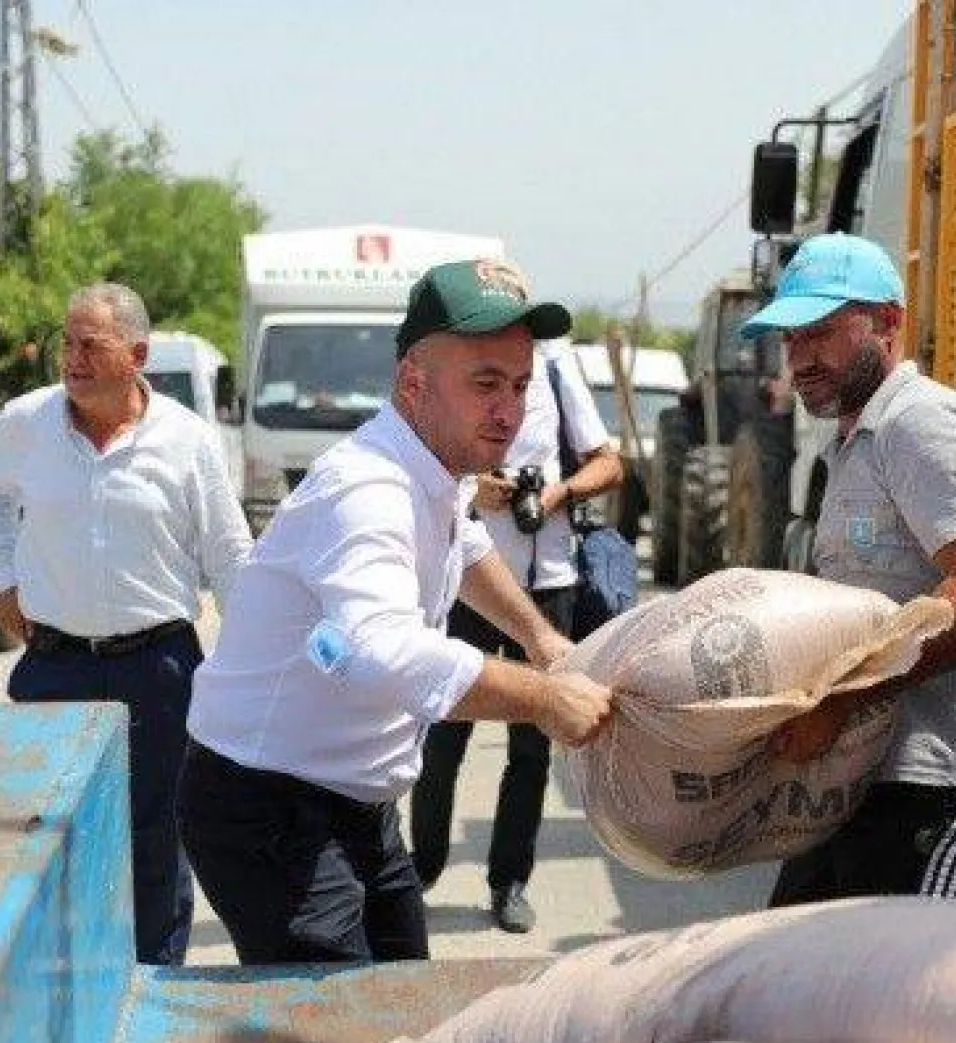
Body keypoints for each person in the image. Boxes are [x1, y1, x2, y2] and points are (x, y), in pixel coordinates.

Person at [179, 258, 614, 966]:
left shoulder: (438, 473)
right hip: (270, 806)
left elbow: (466, 544)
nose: (508, 410)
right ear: (414, 382)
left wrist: (542, 641)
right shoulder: (367, 490)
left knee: (404, 999)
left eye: (519, 386)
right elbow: (379, 651)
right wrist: (544, 698)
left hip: (356, 804)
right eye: (484, 384)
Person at [740, 232, 956, 906]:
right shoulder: (854, 443)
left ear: (888, 324)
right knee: (797, 970)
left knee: (907, 1001)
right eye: (789, 340)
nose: (800, 358)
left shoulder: (921, 423)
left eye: (819, 332)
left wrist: (845, 700)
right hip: (871, 774)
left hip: (951, 781)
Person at [0, 283, 251, 966]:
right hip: (55, 666)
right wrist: (3, 579)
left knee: (153, 838)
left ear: (138, 354)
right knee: (51, 834)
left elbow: (230, 556)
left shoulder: (187, 440)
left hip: (158, 668)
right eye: (66, 341)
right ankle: (61, 976)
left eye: (90, 344)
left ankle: (152, 980)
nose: (72, 357)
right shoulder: (26, 423)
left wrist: (254, 662)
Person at [408, 334, 623, 934]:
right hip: (469, 580)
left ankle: (510, 882)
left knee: (532, 747)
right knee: (443, 730)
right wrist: (478, 490)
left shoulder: (556, 367)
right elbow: (430, 461)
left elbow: (610, 464)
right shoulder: (457, 371)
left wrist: (559, 492)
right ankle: (419, 870)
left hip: (547, 580)